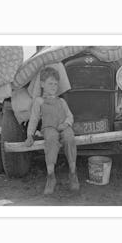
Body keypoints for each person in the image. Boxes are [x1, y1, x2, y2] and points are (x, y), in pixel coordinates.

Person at [24, 67, 79, 195]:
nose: (54, 86)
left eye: (55, 84)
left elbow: (70, 116)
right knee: (51, 139)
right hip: (49, 128)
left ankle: (73, 173)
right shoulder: (39, 101)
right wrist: (29, 135)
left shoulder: (62, 101)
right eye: (50, 83)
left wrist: (66, 124)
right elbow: (34, 119)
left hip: (63, 127)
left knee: (70, 138)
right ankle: (51, 177)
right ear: (42, 84)